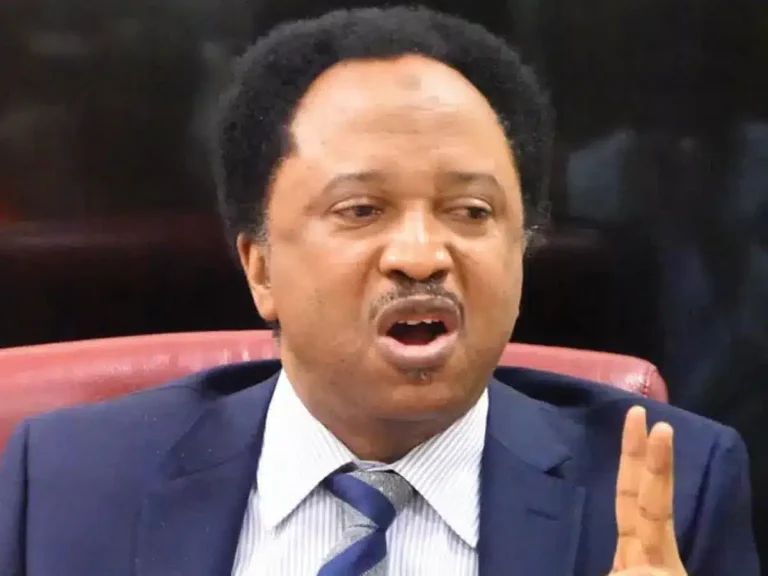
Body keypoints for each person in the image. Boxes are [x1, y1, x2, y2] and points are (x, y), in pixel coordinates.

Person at [0, 6, 759, 575]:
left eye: (471, 212)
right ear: (260, 267)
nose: (422, 257)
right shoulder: (70, 481)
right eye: (361, 210)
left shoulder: (672, 489)